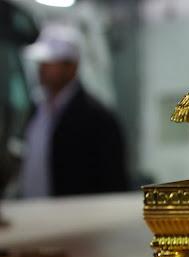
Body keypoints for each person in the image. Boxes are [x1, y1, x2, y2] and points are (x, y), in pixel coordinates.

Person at [20, 23, 129, 197]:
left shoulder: (98, 119)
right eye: (41, 62)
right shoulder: (37, 110)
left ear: (72, 66)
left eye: (50, 62)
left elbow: (112, 183)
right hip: (33, 211)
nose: (42, 68)